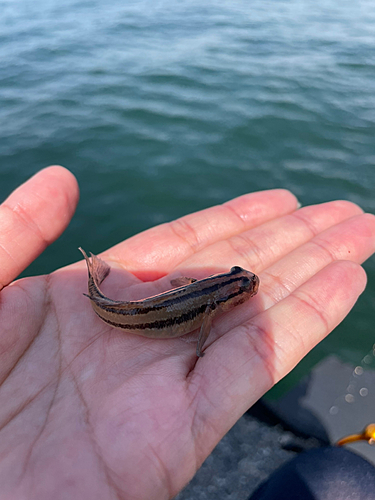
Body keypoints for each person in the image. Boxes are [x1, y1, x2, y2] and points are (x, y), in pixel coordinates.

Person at [0, 166, 374, 499]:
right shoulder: (208, 310)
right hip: (135, 314)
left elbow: (185, 286)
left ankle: (96, 281)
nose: (246, 286)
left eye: (241, 284)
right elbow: (200, 334)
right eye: (240, 288)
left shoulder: (209, 296)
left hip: (141, 307)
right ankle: (95, 283)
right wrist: (200, 349)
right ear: (219, 301)